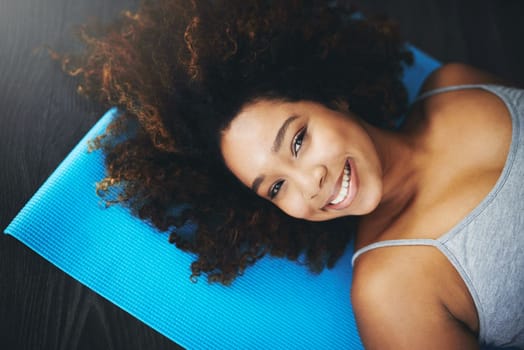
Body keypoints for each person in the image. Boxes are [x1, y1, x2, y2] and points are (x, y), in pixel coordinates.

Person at [61, 0, 523, 348]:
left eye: (298, 141)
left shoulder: (453, 85)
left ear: (331, 96)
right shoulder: (390, 294)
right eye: (277, 187)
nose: (310, 183)